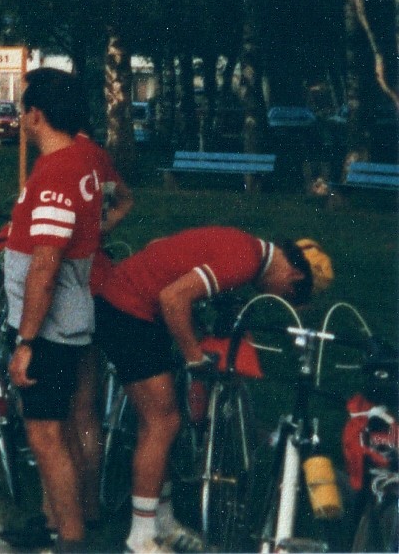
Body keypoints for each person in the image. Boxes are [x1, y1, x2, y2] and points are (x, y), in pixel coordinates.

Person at [96, 230, 332, 553]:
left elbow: (157, 246)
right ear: (294, 274)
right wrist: (195, 359)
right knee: (162, 423)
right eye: (290, 293)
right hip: (129, 309)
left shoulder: (248, 248)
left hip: (125, 303)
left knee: (162, 423)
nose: (282, 298)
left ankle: (160, 521)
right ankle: (140, 537)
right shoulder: (246, 261)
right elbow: (172, 299)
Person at [4, 68, 101, 553]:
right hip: (72, 319)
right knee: (65, 427)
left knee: (46, 437)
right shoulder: (78, 162)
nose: (21, 119)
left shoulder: (57, 174)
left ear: (35, 115)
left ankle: (72, 540)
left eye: (23, 111)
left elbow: (45, 266)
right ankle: (59, 522)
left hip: (50, 328)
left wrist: (25, 342)